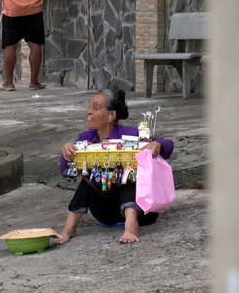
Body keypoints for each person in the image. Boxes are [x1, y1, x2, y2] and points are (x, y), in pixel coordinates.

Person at [53, 89, 174, 245]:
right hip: (105, 213)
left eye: (95, 108)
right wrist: (66, 153)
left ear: (112, 115)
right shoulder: (86, 138)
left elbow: (169, 145)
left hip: (142, 213)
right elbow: (66, 173)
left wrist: (157, 145)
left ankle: (131, 226)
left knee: (125, 171)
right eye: (89, 107)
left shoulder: (132, 134)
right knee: (91, 176)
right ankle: (68, 230)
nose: (88, 112)